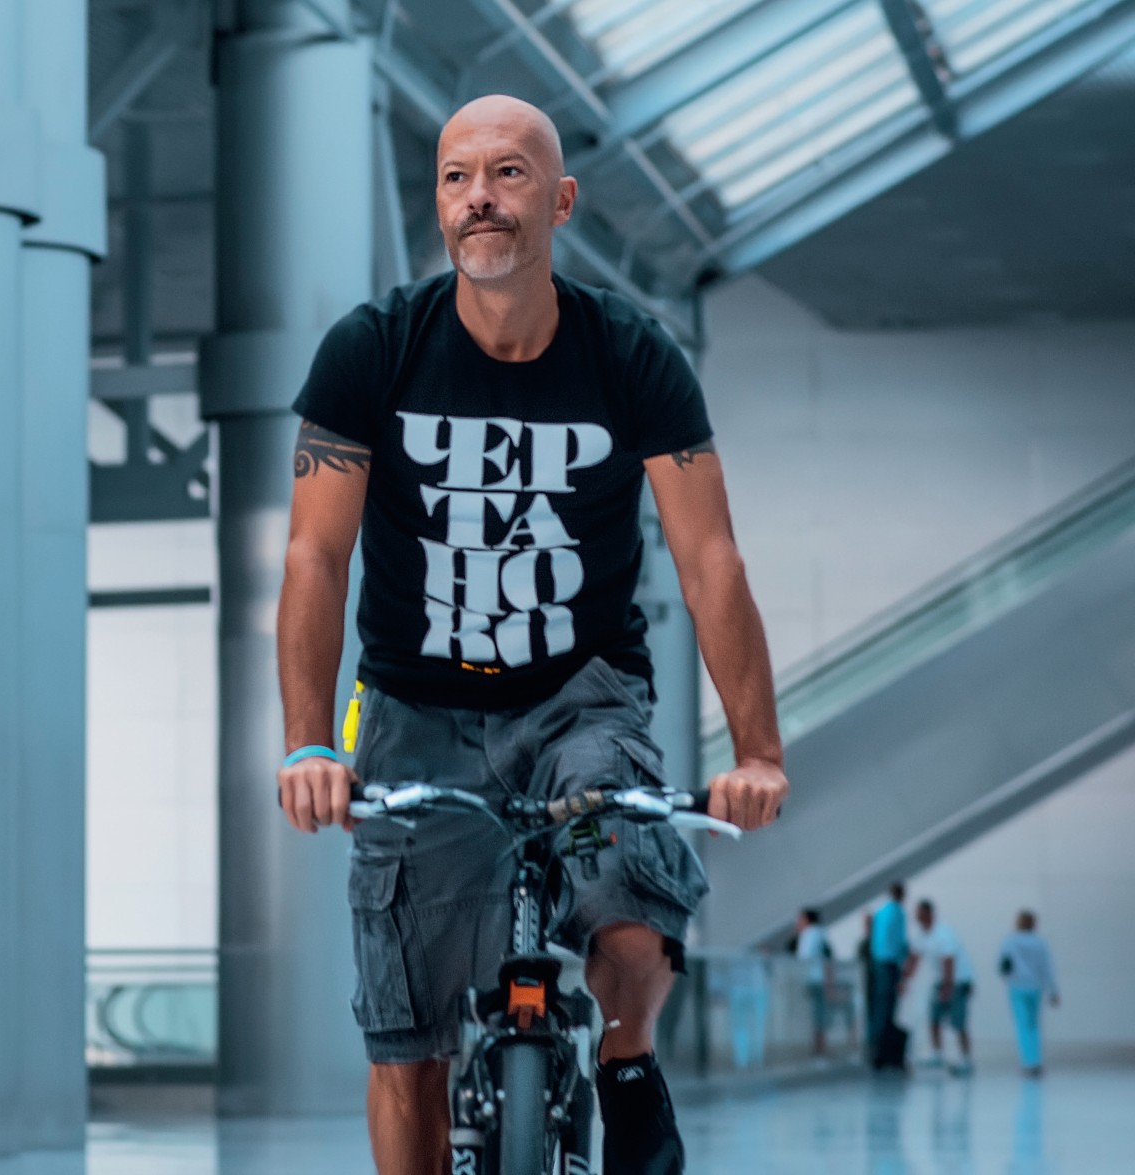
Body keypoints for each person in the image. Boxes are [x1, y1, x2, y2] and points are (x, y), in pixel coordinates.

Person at [275, 94, 787, 1175]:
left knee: (632, 912)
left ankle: (626, 1061)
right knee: (406, 1037)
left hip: (578, 696)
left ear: (559, 201)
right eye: (456, 177)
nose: (480, 198)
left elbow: (710, 561)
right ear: (437, 203)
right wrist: (311, 741)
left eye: (508, 173)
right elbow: (315, 556)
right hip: (413, 705)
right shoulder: (372, 350)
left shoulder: (631, 355)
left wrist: (758, 752)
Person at [908, 898, 975, 1075]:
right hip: (940, 981)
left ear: (929, 913)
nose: (916, 916)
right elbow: (914, 958)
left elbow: (949, 961)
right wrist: (904, 980)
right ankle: (937, 1053)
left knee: (958, 1022)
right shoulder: (922, 935)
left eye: (920, 913)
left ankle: (966, 1059)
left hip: (957, 981)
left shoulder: (944, 933)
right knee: (934, 1018)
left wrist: (947, 988)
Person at [999, 910, 1060, 1077]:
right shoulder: (1039, 942)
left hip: (1018, 986)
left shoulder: (1011, 941)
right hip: (1035, 987)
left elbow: (1003, 964)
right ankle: (1036, 1061)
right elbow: (1047, 967)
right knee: (1033, 1025)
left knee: (1022, 1025)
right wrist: (1053, 990)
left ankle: (1028, 1062)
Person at [868, 883, 910, 1068]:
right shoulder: (898, 913)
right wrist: (903, 966)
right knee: (887, 1008)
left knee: (879, 1007)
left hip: (878, 963)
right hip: (890, 964)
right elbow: (900, 942)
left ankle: (875, 1048)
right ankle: (883, 1052)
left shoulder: (881, 912)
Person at [793, 907, 834, 1057]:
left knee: (816, 1015)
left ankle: (818, 1048)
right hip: (819, 979)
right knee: (818, 1014)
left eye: (800, 919)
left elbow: (804, 959)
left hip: (814, 979)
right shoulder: (820, 934)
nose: (797, 922)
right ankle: (820, 1047)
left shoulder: (809, 935)